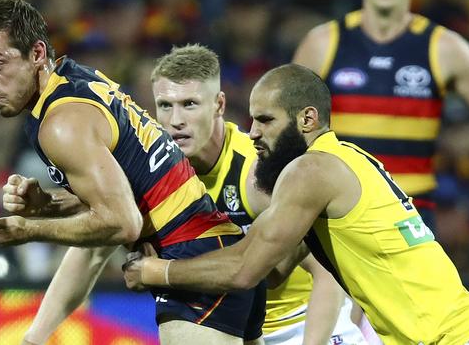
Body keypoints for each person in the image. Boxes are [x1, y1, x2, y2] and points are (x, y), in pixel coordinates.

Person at [124, 64, 469, 345]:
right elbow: (273, 272)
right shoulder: (345, 160)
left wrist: (159, 272)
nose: (254, 133)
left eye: (266, 120)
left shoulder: (310, 171)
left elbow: (245, 270)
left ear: (307, 118)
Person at [0, 0, 263, 345]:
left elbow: (121, 222)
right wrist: (48, 207)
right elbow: (115, 203)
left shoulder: (61, 124)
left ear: (38, 54)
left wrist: (26, 230)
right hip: (216, 249)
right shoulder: (77, 80)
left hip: (193, 266)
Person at [151, 44, 367, 345]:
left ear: (219, 105)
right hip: (232, 330)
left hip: (303, 325)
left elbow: (327, 270)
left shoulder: (255, 171)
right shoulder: (158, 175)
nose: (175, 120)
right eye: (164, 105)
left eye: (189, 104)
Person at [292, 0, 469, 257]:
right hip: (337, 214)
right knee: (332, 300)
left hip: (411, 217)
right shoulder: (324, 43)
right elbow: (284, 128)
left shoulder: (443, 47)